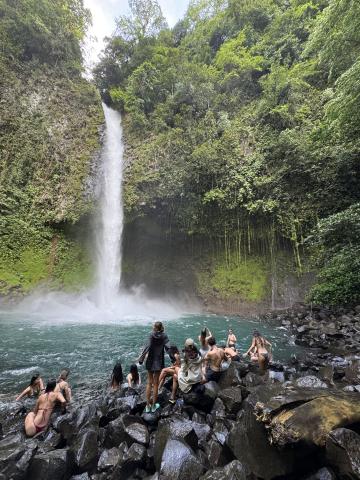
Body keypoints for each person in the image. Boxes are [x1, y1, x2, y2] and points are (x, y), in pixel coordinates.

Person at [138, 321, 170, 413]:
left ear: (154, 328)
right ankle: (153, 406)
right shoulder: (164, 336)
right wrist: (173, 358)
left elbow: (146, 347)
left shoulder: (151, 335)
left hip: (150, 361)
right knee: (156, 384)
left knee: (149, 383)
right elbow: (168, 348)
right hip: (159, 361)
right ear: (161, 327)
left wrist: (141, 359)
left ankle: (147, 405)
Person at [169, 339, 204, 403]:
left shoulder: (187, 355)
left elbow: (184, 369)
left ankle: (172, 397)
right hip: (198, 378)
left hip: (191, 380)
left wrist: (177, 366)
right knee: (174, 376)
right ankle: (172, 397)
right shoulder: (198, 354)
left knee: (176, 369)